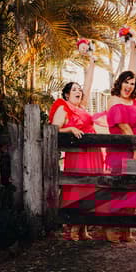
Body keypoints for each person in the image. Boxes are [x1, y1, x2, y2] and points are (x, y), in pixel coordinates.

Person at [104, 40, 136, 243]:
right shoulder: (114, 100)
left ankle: (126, 231)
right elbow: (124, 127)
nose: (129, 86)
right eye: (126, 82)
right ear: (120, 83)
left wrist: (134, 49)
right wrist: (135, 149)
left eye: (133, 83)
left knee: (135, 189)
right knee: (120, 188)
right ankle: (109, 229)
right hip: (123, 149)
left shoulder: (133, 102)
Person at [49, 54, 104, 241]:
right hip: (78, 155)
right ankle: (73, 227)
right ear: (66, 94)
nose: (79, 92)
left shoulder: (83, 108)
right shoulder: (63, 108)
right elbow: (54, 130)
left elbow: (88, 83)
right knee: (77, 189)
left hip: (93, 153)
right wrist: (70, 128)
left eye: (79, 90)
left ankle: (84, 228)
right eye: (74, 90)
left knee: (90, 189)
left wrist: (92, 61)